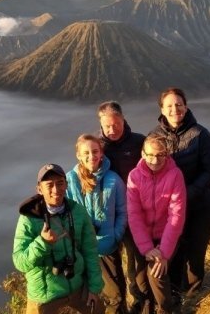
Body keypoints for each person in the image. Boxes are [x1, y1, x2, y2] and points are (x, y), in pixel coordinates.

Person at [149, 87, 210, 300]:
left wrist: (188, 193)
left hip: (199, 204)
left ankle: (193, 293)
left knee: (196, 249)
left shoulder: (200, 134)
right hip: (169, 209)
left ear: (186, 106)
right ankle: (176, 293)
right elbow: (148, 168)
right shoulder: (154, 136)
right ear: (162, 109)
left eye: (178, 104)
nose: (174, 109)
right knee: (174, 250)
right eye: (169, 105)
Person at [13, 163, 106, 314]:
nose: (56, 190)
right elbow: (20, 262)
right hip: (45, 294)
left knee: (98, 311)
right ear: (39, 189)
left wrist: (94, 288)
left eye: (60, 183)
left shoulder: (78, 212)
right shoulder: (29, 218)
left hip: (76, 285)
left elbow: (90, 251)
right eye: (49, 185)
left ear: (66, 185)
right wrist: (43, 243)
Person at [66, 134, 128, 314]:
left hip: (106, 248)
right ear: (78, 155)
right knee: (89, 299)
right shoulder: (70, 180)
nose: (91, 156)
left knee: (115, 296)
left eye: (95, 151)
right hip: (81, 251)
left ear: (101, 153)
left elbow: (123, 211)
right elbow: (65, 214)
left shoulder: (113, 180)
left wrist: (115, 236)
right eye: (86, 152)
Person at [127, 136, 186, 314]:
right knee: (141, 281)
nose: (155, 160)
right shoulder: (134, 176)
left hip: (166, 235)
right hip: (142, 236)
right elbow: (134, 215)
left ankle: (167, 309)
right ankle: (148, 308)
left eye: (160, 155)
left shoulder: (175, 175)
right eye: (150, 155)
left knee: (156, 271)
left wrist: (163, 252)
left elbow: (176, 215)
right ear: (142, 154)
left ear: (167, 155)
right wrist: (146, 248)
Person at [97, 101, 145, 310]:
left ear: (124, 120)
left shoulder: (139, 142)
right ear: (100, 124)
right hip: (106, 217)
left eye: (116, 124)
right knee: (110, 268)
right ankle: (117, 307)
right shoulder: (97, 148)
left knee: (138, 262)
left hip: (135, 214)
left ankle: (141, 302)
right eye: (107, 126)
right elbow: (81, 175)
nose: (112, 130)